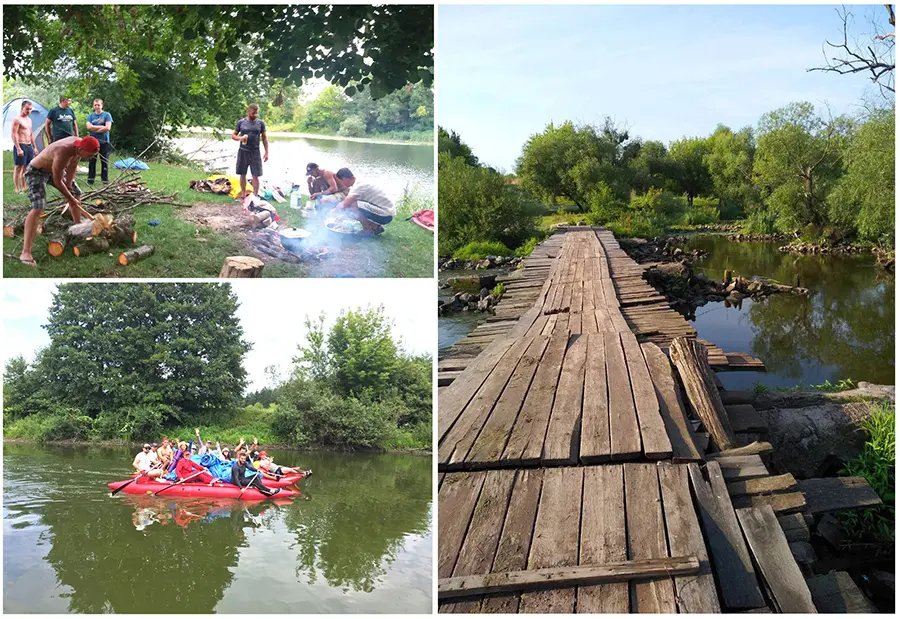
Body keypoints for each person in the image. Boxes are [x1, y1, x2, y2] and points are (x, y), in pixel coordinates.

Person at [18, 136, 99, 267]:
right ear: (80, 149)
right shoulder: (63, 151)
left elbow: (72, 168)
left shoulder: (80, 147)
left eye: (93, 155)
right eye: (90, 155)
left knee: (76, 193)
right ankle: (25, 252)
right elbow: (57, 180)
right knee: (39, 207)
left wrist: (70, 188)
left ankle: (79, 229)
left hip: (55, 170)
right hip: (37, 171)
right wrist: (70, 199)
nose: (90, 158)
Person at [331, 168, 396, 236]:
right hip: (384, 213)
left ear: (344, 179)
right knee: (351, 210)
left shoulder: (359, 185)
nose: (342, 184)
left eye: (341, 181)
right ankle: (377, 227)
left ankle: (367, 230)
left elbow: (345, 203)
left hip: (385, 216)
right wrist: (342, 215)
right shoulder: (359, 182)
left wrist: (335, 210)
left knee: (354, 205)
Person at [231, 103, 269, 199]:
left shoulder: (260, 123)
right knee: (242, 174)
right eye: (253, 113)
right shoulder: (241, 122)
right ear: (248, 112)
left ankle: (255, 196)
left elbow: (264, 138)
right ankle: (243, 195)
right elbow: (233, 135)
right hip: (243, 151)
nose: (255, 115)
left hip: (255, 152)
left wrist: (267, 152)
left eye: (256, 113)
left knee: (255, 175)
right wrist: (240, 138)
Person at [11, 100, 38, 193]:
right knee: (18, 167)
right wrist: (18, 148)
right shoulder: (17, 119)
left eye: (30, 109)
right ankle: (17, 188)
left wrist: (34, 147)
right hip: (20, 145)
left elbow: (30, 134)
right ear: (22, 108)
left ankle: (24, 187)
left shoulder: (29, 120)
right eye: (27, 109)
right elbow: (14, 134)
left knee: (26, 167)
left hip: (28, 145)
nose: (29, 111)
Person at [85, 98, 113, 185]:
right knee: (92, 161)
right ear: (93, 106)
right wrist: (101, 127)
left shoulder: (107, 115)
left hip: (104, 142)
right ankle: (90, 180)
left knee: (104, 161)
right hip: (93, 143)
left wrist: (94, 128)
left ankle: (105, 180)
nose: (97, 107)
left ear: (102, 106)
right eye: (95, 105)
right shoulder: (90, 116)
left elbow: (108, 128)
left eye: (98, 105)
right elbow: (88, 127)